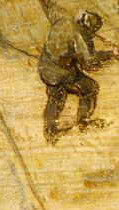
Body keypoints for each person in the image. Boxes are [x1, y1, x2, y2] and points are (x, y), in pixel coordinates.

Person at [39, 5, 119, 143]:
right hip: (62, 72)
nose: (92, 34)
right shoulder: (79, 34)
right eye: (93, 30)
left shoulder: (63, 21)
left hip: (45, 68)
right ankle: (83, 122)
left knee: (55, 97)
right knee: (90, 88)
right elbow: (90, 60)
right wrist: (111, 54)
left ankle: (50, 132)